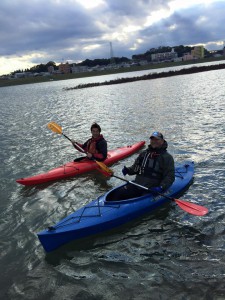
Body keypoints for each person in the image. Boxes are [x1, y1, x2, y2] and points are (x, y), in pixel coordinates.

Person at [120, 131, 175, 199]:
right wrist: (128, 170)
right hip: (138, 184)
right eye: (152, 139)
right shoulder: (144, 153)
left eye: (156, 139)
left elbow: (170, 176)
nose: (154, 141)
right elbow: (135, 168)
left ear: (162, 141)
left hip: (152, 189)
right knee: (119, 193)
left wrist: (161, 187)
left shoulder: (167, 157)